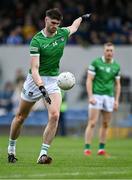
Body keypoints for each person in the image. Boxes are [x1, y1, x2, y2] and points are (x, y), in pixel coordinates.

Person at [7, 8, 91, 164]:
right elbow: (34, 69)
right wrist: (41, 87)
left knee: (54, 115)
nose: (55, 26)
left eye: (58, 24)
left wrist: (81, 17)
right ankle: (11, 148)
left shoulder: (61, 33)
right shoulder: (37, 40)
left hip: (53, 80)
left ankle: (43, 155)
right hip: (34, 81)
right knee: (20, 117)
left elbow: (73, 27)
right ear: (46, 20)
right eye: (53, 23)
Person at [84, 42, 121, 156]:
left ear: (113, 52)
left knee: (105, 124)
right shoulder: (96, 63)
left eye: (111, 51)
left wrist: (116, 100)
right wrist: (90, 96)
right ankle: (87, 148)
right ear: (103, 51)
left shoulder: (116, 66)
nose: (109, 53)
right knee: (93, 122)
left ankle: (101, 149)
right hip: (97, 95)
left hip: (109, 97)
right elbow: (89, 80)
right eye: (107, 50)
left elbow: (117, 84)